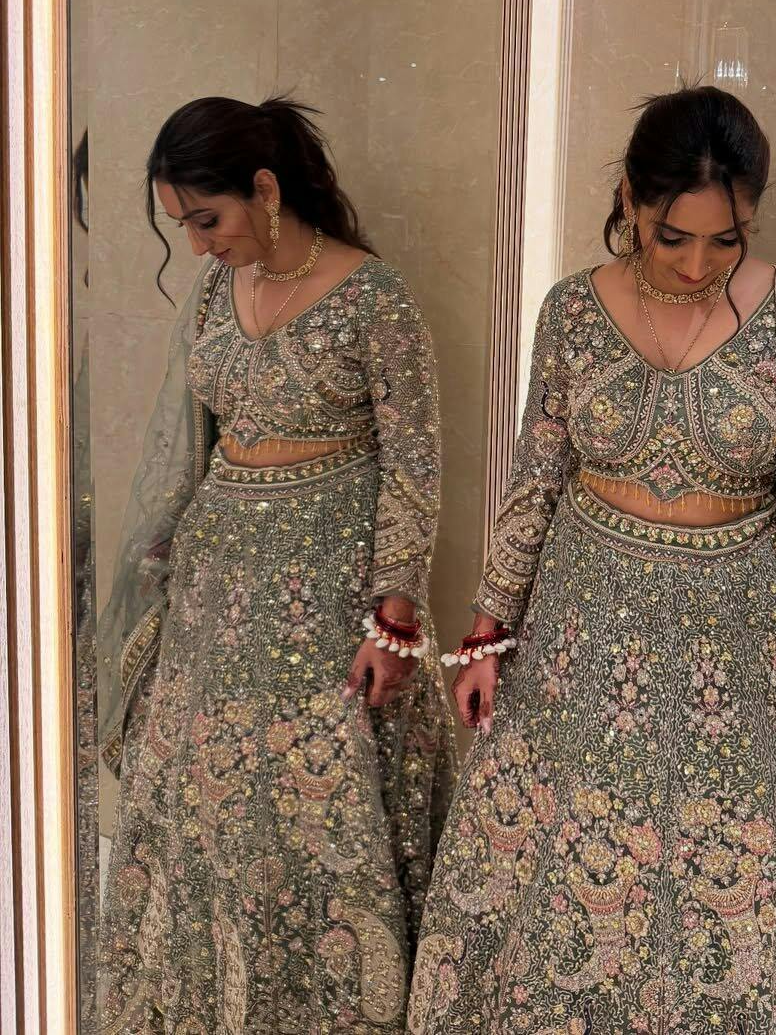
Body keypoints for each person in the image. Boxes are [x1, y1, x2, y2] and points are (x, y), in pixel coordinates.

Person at [408, 86, 776, 1034]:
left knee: (737, 880)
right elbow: (537, 475)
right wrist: (486, 630)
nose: (697, 265)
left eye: (727, 239)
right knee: (572, 866)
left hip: (737, 646)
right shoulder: (571, 308)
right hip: (581, 636)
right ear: (630, 201)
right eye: (672, 236)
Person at [97, 96, 455, 1032]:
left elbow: (415, 466)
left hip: (326, 599)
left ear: (265, 187)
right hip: (215, 596)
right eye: (184, 227)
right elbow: (192, 442)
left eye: (206, 219)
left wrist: (394, 615)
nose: (198, 245)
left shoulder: (375, 298)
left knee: (311, 817)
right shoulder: (214, 294)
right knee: (207, 816)